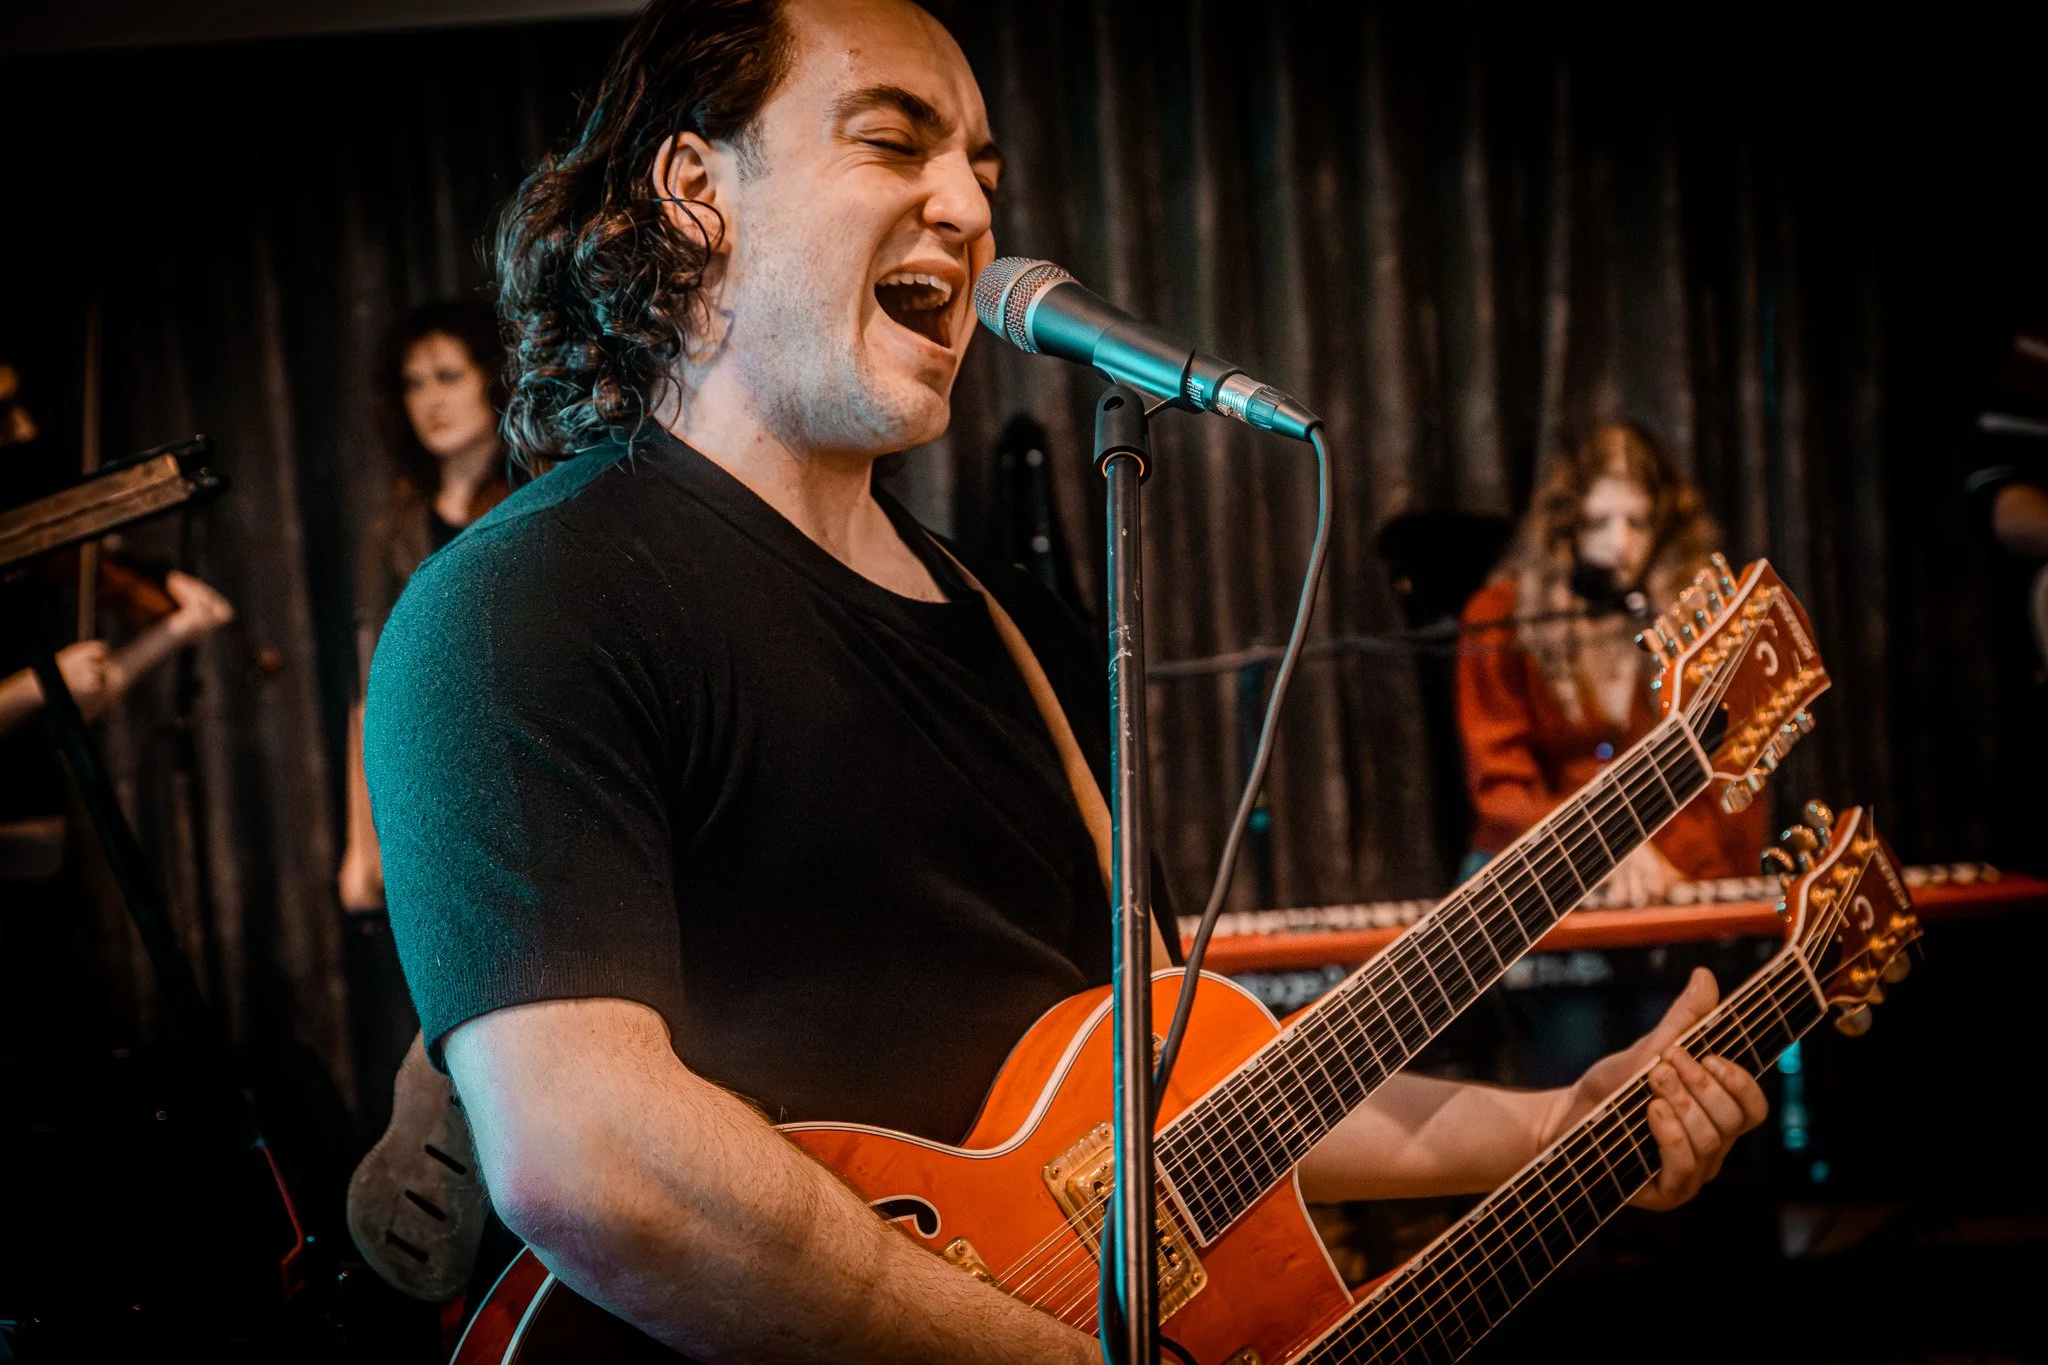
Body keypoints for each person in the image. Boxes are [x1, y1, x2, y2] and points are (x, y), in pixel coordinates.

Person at [364, 3, 1768, 1360]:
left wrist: (1548, 1125)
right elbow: (591, 1161)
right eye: (895, 141)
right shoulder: (523, 604)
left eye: (982, 168)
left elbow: (1183, 1112)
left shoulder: (1019, 632)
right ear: (695, 188)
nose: (972, 210)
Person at [1457, 422, 1768, 907]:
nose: (1619, 545)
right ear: (1568, 526)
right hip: (1540, 866)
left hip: (1669, 870)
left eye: (1637, 523)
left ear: (1665, 528)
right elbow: (1502, 788)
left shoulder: (1707, 622)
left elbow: (1729, 791)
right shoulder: (1500, 616)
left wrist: (1665, 865)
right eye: (1598, 523)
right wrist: (1597, 853)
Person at [339, 300, 511, 913]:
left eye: (449, 377)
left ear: (494, 377)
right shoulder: (394, 532)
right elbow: (368, 692)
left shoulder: (535, 498)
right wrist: (362, 844)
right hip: (431, 794)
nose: (431, 401)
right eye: (414, 384)